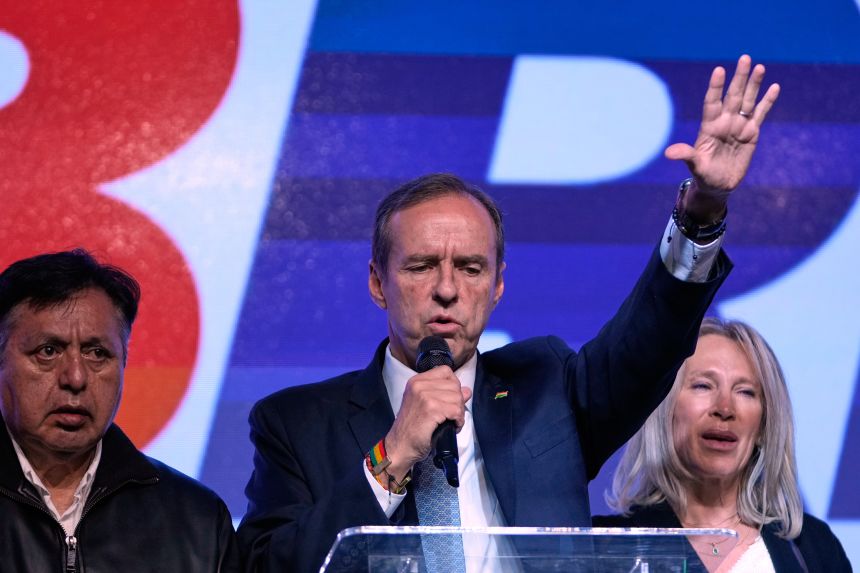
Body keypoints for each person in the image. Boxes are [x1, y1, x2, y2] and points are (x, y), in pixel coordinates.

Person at [238, 55, 780, 572]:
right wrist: (393, 453)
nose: (447, 289)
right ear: (378, 282)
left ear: (498, 285)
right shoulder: (295, 424)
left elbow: (649, 341)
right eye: (422, 266)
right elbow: (265, 567)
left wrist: (702, 210)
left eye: (471, 269)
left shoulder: (548, 391)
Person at [0, 249, 240, 572]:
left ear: (124, 363)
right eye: (48, 351)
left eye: (97, 353)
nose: (75, 377)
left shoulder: (198, 521)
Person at [594, 317, 851, 572]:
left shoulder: (814, 549)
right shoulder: (604, 548)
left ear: (763, 426)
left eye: (745, 392)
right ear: (665, 411)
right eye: (703, 386)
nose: (725, 409)